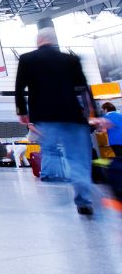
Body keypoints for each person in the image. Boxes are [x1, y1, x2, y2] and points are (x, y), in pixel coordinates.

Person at [15, 27, 97, 216]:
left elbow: (20, 87)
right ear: (54, 41)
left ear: (39, 41)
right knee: (78, 159)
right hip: (73, 116)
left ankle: (53, 181)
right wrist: (93, 114)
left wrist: (22, 111)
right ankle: (83, 199)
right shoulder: (71, 59)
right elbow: (83, 88)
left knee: (50, 149)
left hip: (45, 116)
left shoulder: (27, 59)